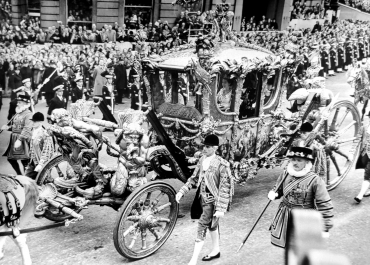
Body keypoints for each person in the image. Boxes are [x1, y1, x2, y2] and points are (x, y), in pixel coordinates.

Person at [176, 134, 233, 265]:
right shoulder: (202, 160)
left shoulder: (222, 165)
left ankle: (193, 260)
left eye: (207, 147)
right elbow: (194, 178)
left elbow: (225, 187)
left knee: (202, 226)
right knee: (213, 226)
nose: (204, 149)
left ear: (215, 148)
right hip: (202, 198)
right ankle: (216, 250)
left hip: (213, 202)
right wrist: (182, 191)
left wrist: (220, 208)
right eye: (204, 146)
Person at [268, 146, 334, 248]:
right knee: (289, 245)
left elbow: (325, 204)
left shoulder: (315, 180)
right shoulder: (285, 174)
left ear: (307, 162)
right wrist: (275, 193)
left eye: (299, 160)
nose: (295, 163)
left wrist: (325, 227)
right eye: (293, 159)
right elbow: (278, 189)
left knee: (303, 247)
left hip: (305, 218)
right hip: (286, 216)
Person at [2, 94, 33, 175]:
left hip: (22, 139)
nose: (17, 104)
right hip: (14, 139)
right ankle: (20, 175)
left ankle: (27, 178)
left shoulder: (28, 114)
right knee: (11, 159)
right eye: (18, 102)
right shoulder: (18, 113)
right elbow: (16, 126)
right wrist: (8, 128)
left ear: (25, 104)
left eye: (19, 102)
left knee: (24, 161)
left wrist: (20, 139)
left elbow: (27, 128)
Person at [25, 112, 54, 180]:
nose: (32, 123)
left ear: (40, 122)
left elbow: (47, 151)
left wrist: (41, 164)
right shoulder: (33, 132)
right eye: (32, 121)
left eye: (35, 121)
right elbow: (32, 149)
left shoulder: (45, 134)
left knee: (44, 181)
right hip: (33, 162)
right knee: (26, 180)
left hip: (43, 163)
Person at [354, 120, 370, 203]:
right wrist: (351, 152)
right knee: (367, 173)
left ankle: (360, 195)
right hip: (366, 154)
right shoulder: (364, 127)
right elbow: (357, 140)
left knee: (367, 174)